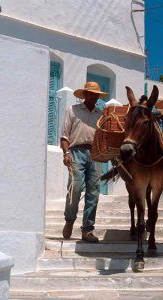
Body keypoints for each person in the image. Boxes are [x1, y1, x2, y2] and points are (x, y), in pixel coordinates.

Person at [61, 81, 108, 242]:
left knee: (93, 192)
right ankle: (69, 220)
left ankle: (87, 230)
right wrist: (66, 153)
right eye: (92, 94)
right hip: (75, 152)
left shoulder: (101, 115)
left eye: (97, 95)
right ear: (85, 95)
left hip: (95, 154)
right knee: (75, 188)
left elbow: (104, 137)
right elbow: (64, 136)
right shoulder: (72, 110)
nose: (94, 97)